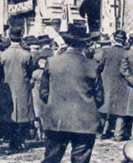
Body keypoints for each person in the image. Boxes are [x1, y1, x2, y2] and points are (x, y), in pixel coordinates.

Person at [39, 22, 103, 163]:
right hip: (84, 121)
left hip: (57, 120)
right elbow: (99, 97)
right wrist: (86, 107)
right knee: (81, 160)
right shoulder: (92, 65)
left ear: (66, 42)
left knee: (51, 159)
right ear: (84, 44)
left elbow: (43, 93)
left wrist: (55, 105)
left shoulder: (52, 62)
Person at [1, 25, 35, 153]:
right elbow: (30, 72)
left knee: (10, 115)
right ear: (21, 38)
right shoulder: (26, 55)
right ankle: (21, 141)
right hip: (22, 87)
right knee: (23, 115)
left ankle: (12, 142)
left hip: (8, 88)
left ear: (9, 37)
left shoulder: (3, 54)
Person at [98, 30, 130, 141]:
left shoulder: (106, 51)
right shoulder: (127, 52)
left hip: (106, 82)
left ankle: (100, 132)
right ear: (124, 40)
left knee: (104, 108)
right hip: (121, 84)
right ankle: (118, 134)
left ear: (114, 39)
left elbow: (100, 66)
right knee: (120, 110)